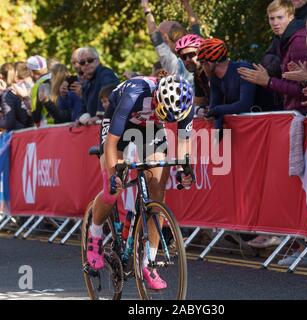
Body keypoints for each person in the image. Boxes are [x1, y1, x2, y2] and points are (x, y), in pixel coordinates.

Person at [87, 75, 195, 290]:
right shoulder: (135, 94)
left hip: (151, 129)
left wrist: (185, 168)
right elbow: (112, 143)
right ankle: (95, 234)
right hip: (120, 126)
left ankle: (149, 263)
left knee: (157, 192)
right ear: (156, 96)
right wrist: (112, 175)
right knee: (113, 189)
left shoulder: (185, 102)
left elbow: (184, 140)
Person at [238, 0, 307, 113]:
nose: (275, 23)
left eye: (280, 17)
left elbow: (303, 90)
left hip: (305, 112)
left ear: (291, 17)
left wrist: (268, 81)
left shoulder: (299, 40)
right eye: (272, 18)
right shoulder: (285, 38)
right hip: (296, 112)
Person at [197, 38, 256, 132]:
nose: (202, 67)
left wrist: (215, 111)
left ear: (210, 62)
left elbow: (244, 105)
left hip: (262, 122)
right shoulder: (214, 78)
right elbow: (214, 107)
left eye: (202, 62)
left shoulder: (242, 69)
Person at [141, 0, 201, 85]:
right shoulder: (196, 46)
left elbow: (154, 35)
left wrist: (146, 9)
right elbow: (194, 25)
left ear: (167, 39)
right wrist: (186, 4)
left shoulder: (172, 62)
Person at [78, 47, 120, 125]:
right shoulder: (86, 83)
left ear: (98, 60)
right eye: (82, 62)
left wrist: (100, 116)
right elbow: (83, 106)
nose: (86, 64)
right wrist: (80, 119)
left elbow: (109, 96)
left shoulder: (106, 74)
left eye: (90, 60)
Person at [175, 34, 210, 114]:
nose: (187, 60)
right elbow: (198, 103)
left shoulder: (212, 73)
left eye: (191, 54)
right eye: (183, 57)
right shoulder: (198, 76)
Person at [27, 55, 52, 126]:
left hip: (48, 125)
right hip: (64, 124)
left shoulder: (37, 86)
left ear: (31, 72)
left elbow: (36, 116)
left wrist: (30, 111)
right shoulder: (56, 78)